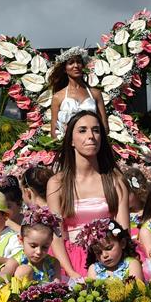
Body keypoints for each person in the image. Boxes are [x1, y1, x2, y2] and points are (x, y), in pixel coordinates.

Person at [47, 111, 130, 279]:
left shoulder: (115, 181)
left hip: (110, 258)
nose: (91, 136)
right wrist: (71, 272)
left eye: (96, 130)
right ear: (71, 139)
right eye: (82, 130)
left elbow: (124, 232)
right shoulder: (57, 184)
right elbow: (56, 235)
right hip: (70, 261)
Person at [48, 47, 109, 139]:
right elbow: (54, 131)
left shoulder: (95, 94)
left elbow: (105, 126)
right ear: (65, 69)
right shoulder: (58, 97)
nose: (76, 66)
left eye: (79, 62)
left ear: (83, 66)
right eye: (71, 63)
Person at [0, 206, 61, 283]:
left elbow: (57, 284)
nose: (39, 251)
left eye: (45, 247)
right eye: (33, 246)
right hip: (19, 293)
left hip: (47, 294)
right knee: (24, 270)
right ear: (21, 240)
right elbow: (3, 276)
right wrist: (6, 281)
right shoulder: (15, 261)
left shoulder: (53, 263)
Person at [76, 219, 144, 281]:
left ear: (122, 243)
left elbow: (137, 292)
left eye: (109, 248)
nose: (104, 255)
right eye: (98, 252)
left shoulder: (132, 265)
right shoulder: (94, 269)